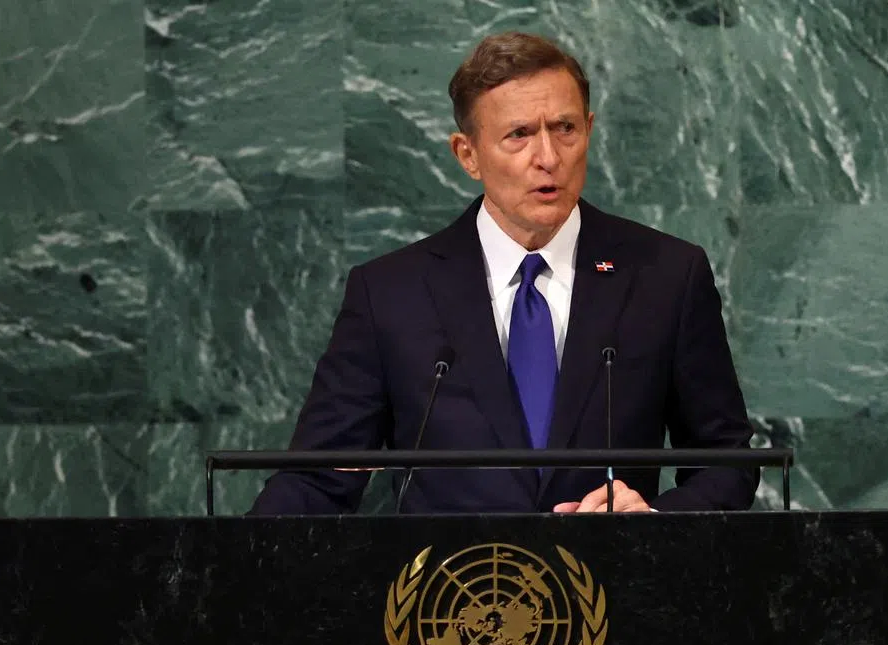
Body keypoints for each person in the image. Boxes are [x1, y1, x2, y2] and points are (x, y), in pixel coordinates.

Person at [249, 31, 758, 515]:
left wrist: (653, 515)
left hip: (611, 574)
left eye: (565, 129)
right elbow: (318, 479)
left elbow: (726, 460)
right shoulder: (390, 294)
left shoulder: (666, 276)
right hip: (449, 578)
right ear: (467, 154)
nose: (548, 158)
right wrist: (229, 559)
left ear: (589, 129)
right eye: (519, 135)